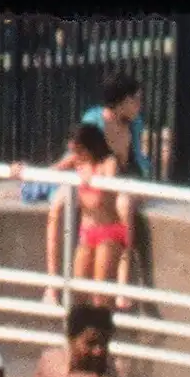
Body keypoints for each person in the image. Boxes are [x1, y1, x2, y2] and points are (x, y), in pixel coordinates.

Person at [50, 124, 134, 298]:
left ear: (91, 147)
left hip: (109, 231)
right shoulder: (76, 161)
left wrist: (94, 179)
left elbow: (106, 187)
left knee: (99, 295)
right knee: (78, 293)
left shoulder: (108, 162)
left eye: (79, 151)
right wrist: (19, 171)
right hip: (87, 233)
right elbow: (50, 172)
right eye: (73, 151)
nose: (76, 156)